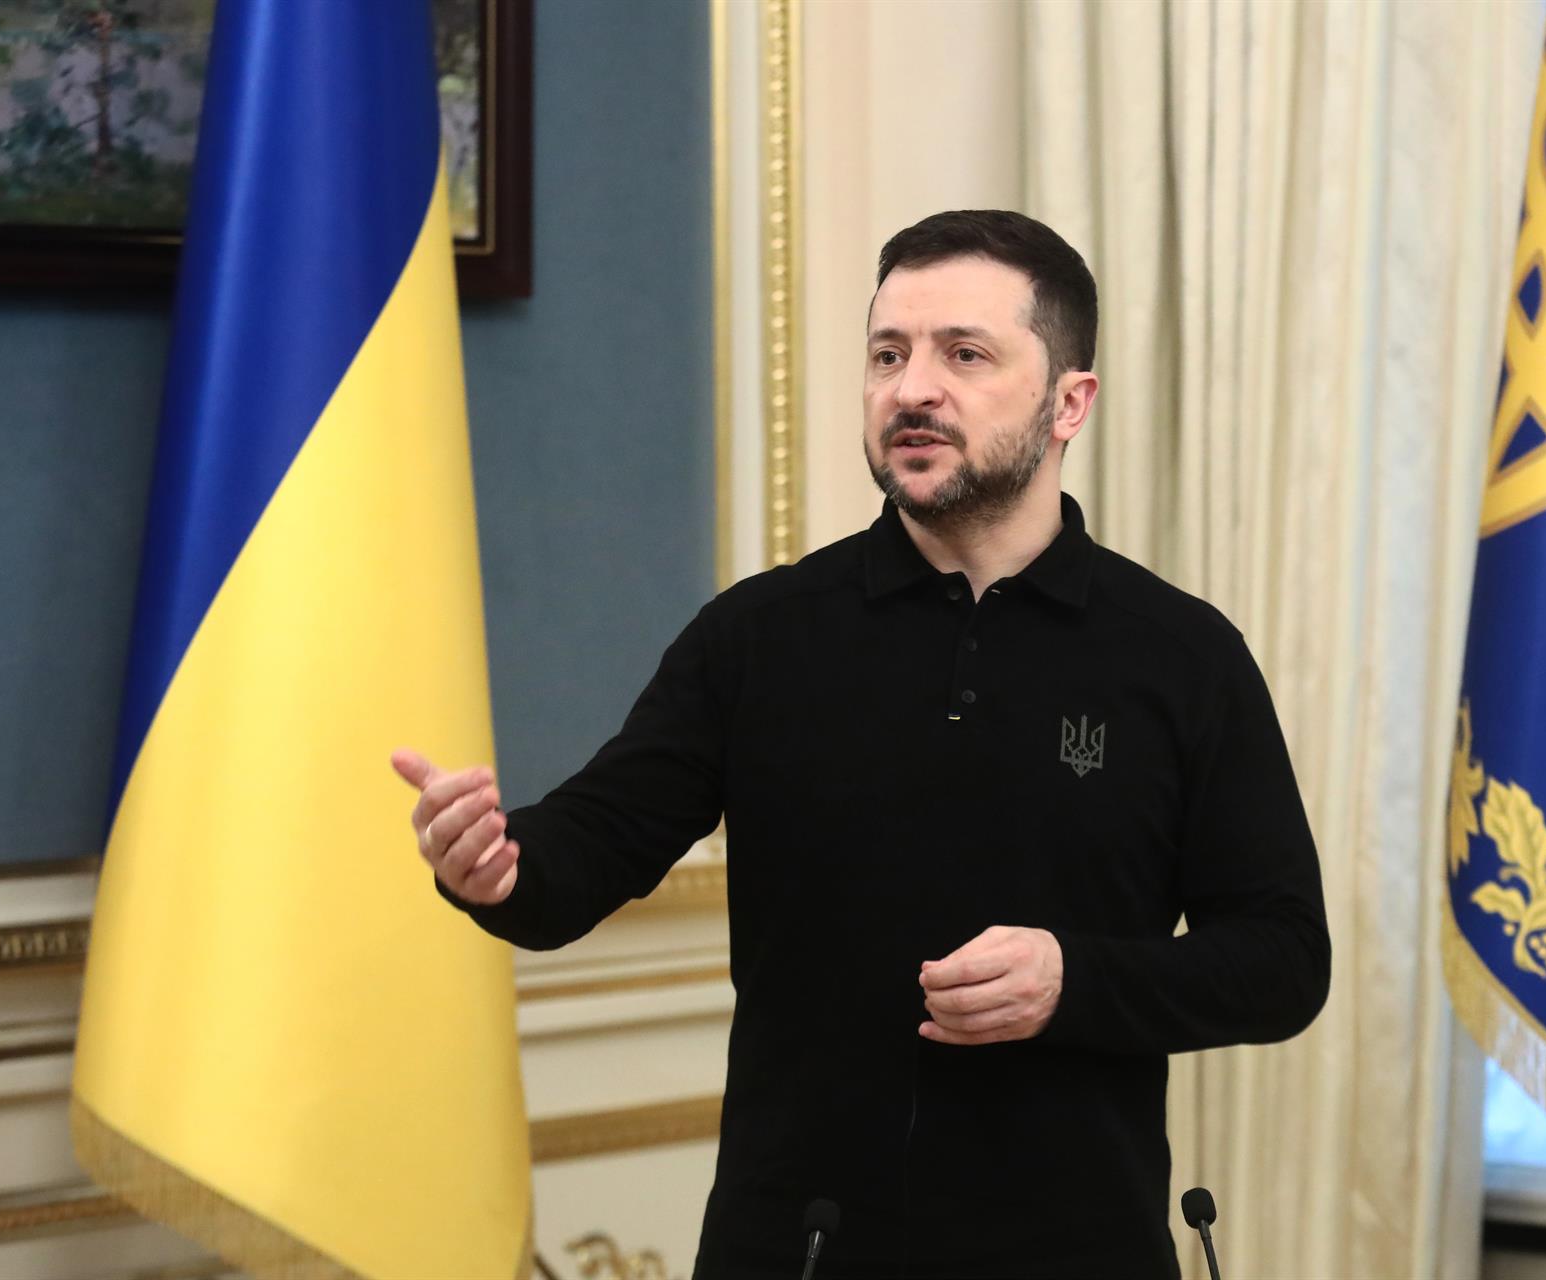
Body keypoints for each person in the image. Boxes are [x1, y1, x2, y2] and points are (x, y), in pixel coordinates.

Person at [392, 210, 1329, 1279]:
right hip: (798, 1247)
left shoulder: (1183, 656)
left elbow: (1283, 959)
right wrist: (496, 865)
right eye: (888, 355)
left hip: (1076, 1245)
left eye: (963, 354)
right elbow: (585, 854)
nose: (911, 389)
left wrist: (1075, 979)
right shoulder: (760, 635)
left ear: (1070, 401)